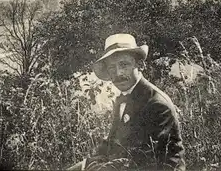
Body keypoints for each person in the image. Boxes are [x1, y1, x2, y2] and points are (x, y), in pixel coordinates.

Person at [69, 34, 185, 171]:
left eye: (124, 65)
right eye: (112, 68)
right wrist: (85, 165)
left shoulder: (156, 104)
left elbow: (145, 159)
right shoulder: (122, 98)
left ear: (139, 64)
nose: (118, 73)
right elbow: (111, 144)